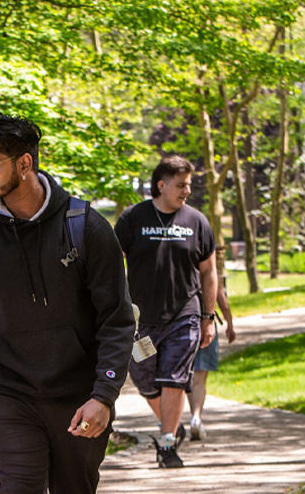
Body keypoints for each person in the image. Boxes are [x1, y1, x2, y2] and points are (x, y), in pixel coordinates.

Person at [0, 113, 134, 494]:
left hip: (77, 396)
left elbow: (116, 320)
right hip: (7, 393)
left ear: (25, 163)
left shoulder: (86, 227)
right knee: (21, 485)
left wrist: (104, 395)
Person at [113, 155, 218, 468]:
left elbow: (209, 272)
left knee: (173, 379)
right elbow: (112, 263)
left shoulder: (196, 221)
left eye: (189, 184)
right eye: (181, 184)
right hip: (141, 323)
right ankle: (174, 426)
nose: (187, 190)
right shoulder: (133, 218)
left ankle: (168, 442)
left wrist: (208, 317)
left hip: (183, 318)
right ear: (161, 185)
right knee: (144, 378)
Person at [187, 284, 234, 441]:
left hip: (185, 326)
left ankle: (190, 417)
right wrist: (230, 326)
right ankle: (196, 417)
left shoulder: (183, 268)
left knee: (190, 377)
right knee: (199, 380)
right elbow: (223, 303)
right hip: (206, 327)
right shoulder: (209, 273)